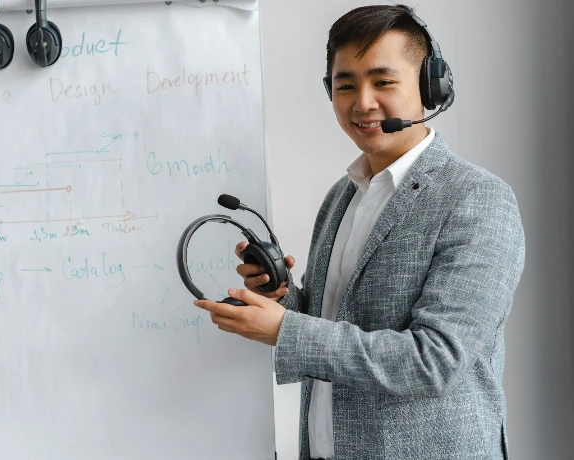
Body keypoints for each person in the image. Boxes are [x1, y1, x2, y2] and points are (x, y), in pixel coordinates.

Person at [194, 4, 525, 459]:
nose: (362, 102)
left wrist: (286, 330)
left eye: (383, 82)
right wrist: (281, 298)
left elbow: (434, 360)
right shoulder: (342, 195)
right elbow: (335, 321)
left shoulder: (477, 199)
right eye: (345, 85)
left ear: (430, 87)